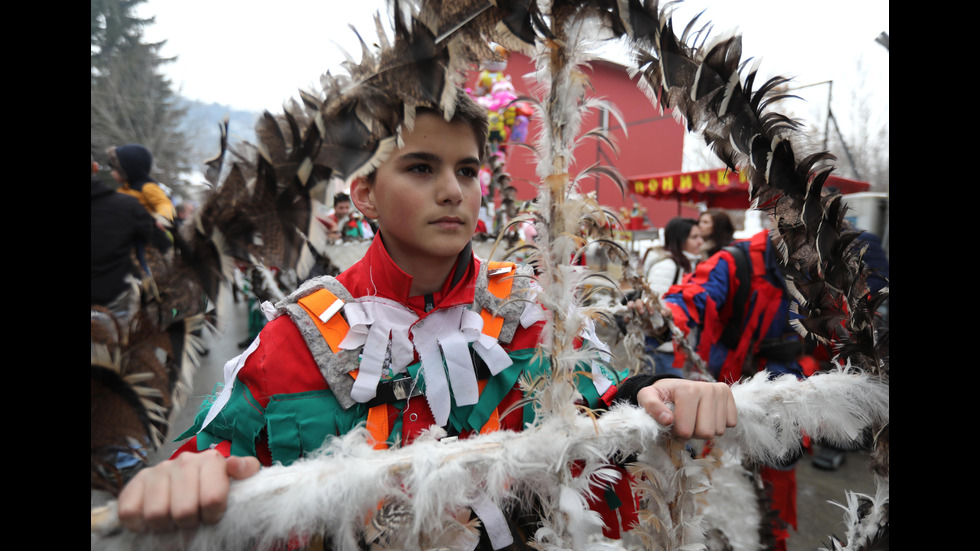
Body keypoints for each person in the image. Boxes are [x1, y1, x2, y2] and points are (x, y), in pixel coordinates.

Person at [115, 89, 738, 545]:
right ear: (364, 194)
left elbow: (599, 422)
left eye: (467, 171)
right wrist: (186, 477)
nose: (453, 190)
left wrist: (654, 397)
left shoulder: (536, 314)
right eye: (421, 167)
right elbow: (211, 457)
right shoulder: (293, 338)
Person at [630, 227, 815, 551]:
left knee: (772, 509)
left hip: (788, 406)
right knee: (714, 502)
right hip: (727, 403)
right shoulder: (736, 261)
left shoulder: (826, 266)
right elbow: (693, 296)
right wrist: (663, 319)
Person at [91, 156, 171, 316]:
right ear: (95, 167)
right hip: (115, 303)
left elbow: (164, 204)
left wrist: (164, 217)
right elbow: (164, 245)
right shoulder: (127, 205)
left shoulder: (143, 191)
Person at [643, 217, 703, 376]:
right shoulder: (666, 267)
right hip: (663, 350)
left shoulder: (689, 265)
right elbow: (653, 307)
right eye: (694, 237)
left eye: (700, 237)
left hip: (679, 348)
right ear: (680, 239)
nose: (700, 242)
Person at [107, 144, 176, 228]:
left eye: (115, 169)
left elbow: (164, 203)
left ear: (128, 169)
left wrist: (163, 218)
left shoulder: (148, 187)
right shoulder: (123, 189)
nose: (111, 173)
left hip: (146, 233)